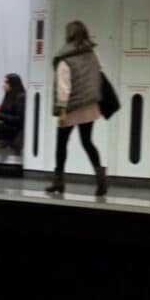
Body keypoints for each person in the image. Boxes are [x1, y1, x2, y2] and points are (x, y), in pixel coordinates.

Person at [46, 21, 107, 196]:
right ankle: (101, 181)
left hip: (71, 108)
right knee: (87, 142)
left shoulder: (65, 58)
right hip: (90, 106)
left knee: (61, 143)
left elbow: (63, 87)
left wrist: (62, 111)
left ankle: (58, 182)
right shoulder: (93, 53)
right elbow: (100, 71)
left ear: (69, 35)